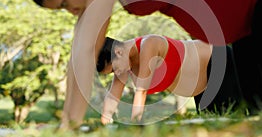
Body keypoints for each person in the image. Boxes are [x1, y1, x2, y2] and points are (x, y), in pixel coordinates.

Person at [24, 0, 262, 128]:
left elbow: (87, 48)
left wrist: (70, 127)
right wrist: (67, 124)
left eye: (63, 4)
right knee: (261, 120)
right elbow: (79, 51)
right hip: (244, 30)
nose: (71, 12)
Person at [97, 35, 241, 124]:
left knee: (230, 118)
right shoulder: (123, 62)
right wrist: (104, 123)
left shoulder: (149, 44)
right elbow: (112, 97)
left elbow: (141, 91)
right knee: (211, 122)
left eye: (114, 69)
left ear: (118, 51)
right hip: (201, 84)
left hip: (216, 61)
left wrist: (135, 125)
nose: (117, 73)